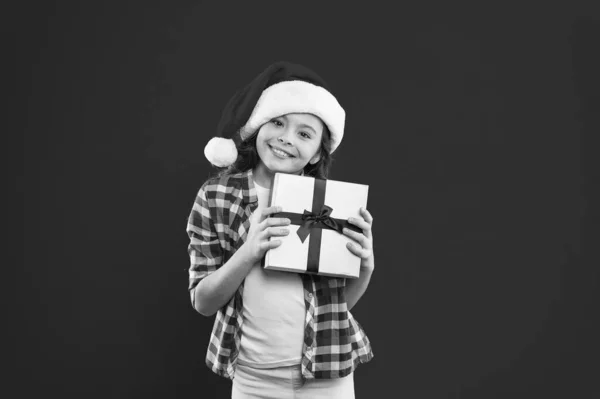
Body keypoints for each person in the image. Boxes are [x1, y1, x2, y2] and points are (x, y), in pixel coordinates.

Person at [186, 61, 374, 398]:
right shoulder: (216, 196)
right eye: (277, 122)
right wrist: (249, 251)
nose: (286, 138)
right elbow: (203, 301)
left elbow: (337, 305)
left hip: (326, 374)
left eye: (304, 134)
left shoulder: (331, 206)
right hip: (252, 378)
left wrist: (366, 267)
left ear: (318, 153)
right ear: (258, 126)